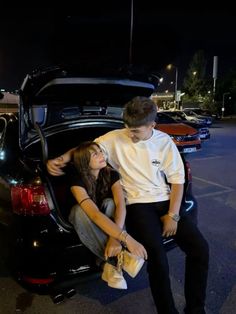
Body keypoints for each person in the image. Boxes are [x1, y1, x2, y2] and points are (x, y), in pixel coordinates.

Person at [47, 96, 209, 314]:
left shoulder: (164, 142)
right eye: (128, 129)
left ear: (152, 125)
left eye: (136, 131)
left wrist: (173, 214)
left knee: (200, 250)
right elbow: (86, 150)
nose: (130, 135)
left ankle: (196, 309)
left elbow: (178, 181)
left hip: (165, 200)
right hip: (137, 205)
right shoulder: (115, 138)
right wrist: (61, 159)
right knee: (158, 260)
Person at [66, 141, 147, 290]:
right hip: (84, 219)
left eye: (100, 151)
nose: (101, 155)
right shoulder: (76, 180)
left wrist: (115, 238)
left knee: (110, 203)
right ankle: (121, 257)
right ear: (84, 161)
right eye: (95, 154)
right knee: (78, 210)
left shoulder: (111, 173)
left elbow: (121, 205)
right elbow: (94, 214)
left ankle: (107, 266)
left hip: (106, 219)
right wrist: (127, 240)